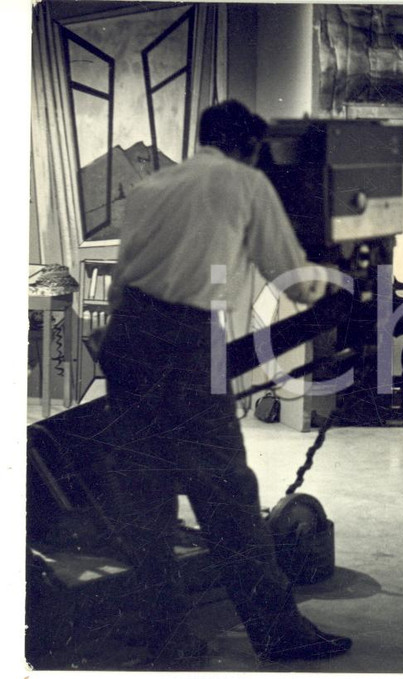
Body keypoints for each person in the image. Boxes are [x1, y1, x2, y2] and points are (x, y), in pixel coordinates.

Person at [98, 100, 351, 667]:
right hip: (186, 340)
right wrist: (332, 288)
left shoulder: (151, 186)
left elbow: (122, 280)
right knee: (229, 499)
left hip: (127, 335)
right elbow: (294, 277)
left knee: (146, 500)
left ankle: (166, 642)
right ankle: (278, 633)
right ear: (249, 146)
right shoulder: (245, 182)